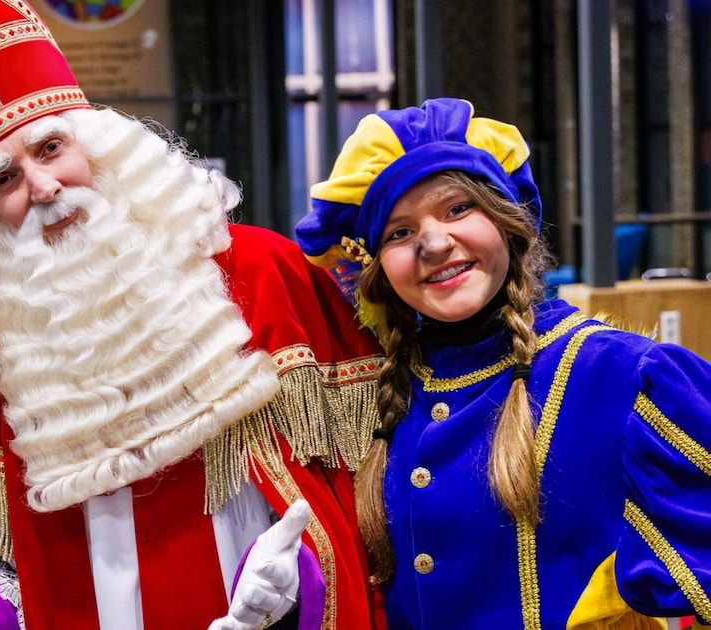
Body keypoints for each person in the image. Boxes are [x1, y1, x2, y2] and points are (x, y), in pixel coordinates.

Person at [0, 2, 387, 629]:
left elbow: (366, 486)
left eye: (51, 148)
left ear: (99, 147)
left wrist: (300, 580)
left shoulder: (262, 271)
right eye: (5, 178)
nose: (43, 187)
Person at [294, 97, 711, 629]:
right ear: (377, 269)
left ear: (509, 223)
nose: (434, 243)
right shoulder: (377, 394)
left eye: (457, 209)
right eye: (399, 232)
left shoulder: (622, 377)